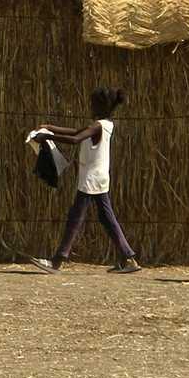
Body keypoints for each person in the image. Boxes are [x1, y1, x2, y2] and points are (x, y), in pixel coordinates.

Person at [27, 88, 142, 275]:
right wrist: (50, 127)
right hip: (98, 177)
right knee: (106, 218)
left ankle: (57, 261)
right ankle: (128, 258)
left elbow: (75, 139)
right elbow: (76, 131)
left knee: (75, 218)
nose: (90, 106)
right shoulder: (104, 124)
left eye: (93, 103)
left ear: (100, 105)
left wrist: (47, 136)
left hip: (91, 179)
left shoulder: (98, 126)